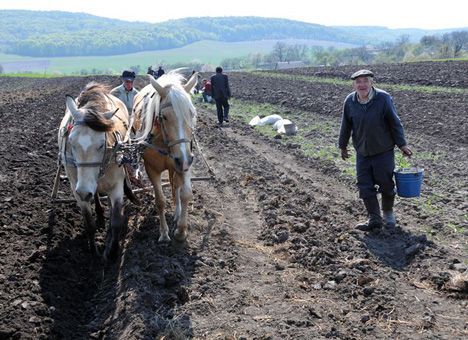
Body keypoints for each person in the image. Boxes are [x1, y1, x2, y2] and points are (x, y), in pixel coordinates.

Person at [338, 69, 413, 231]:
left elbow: (395, 122)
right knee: (364, 185)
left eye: (365, 81)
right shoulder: (350, 101)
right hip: (362, 151)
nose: (362, 84)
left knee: (386, 183)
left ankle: (388, 214)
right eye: (358, 82)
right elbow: (346, 125)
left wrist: (402, 144)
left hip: (383, 150)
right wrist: (342, 146)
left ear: (372, 83)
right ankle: (374, 218)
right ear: (354, 84)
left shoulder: (383, 98)